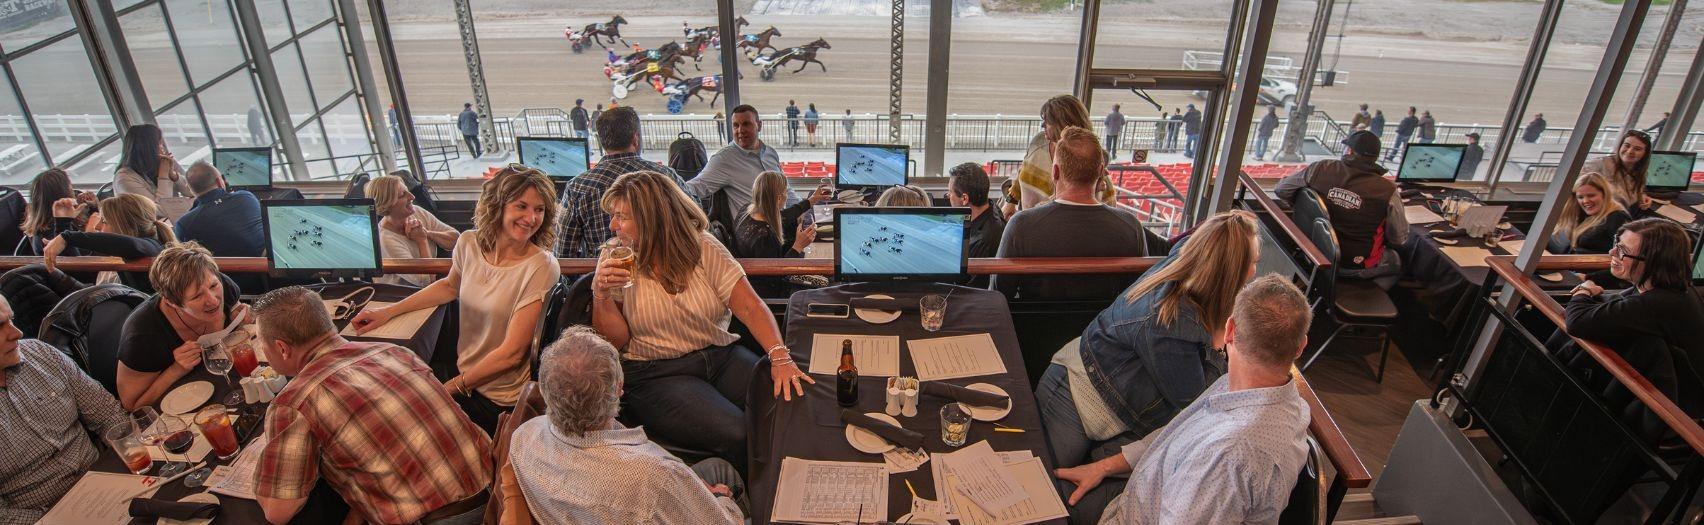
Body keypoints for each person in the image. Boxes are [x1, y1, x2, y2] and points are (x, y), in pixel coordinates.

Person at [1037, 211, 1256, 522]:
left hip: (1124, 414)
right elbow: (1195, 400)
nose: (1254, 272)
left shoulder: (1188, 264)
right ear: (1229, 274)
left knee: (1064, 502)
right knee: (1038, 487)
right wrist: (1221, 342)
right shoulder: (1173, 321)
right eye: (1252, 263)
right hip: (1076, 392)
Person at [589, 170, 813, 468]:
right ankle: (750, 501)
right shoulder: (614, 257)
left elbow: (750, 307)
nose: (612, 225)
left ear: (652, 217)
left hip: (720, 356)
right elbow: (617, 341)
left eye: (622, 216)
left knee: (792, 402)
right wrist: (601, 295)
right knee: (739, 433)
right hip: (657, 372)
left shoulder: (702, 245)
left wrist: (780, 357)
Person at [1055, 274, 1313, 525]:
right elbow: (1174, 433)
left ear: (1230, 330)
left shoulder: (1227, 457)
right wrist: (1102, 467)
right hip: (1133, 497)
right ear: (1301, 346)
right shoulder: (1264, 394)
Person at [251, 286, 492, 525]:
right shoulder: (394, 351)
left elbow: (279, 511)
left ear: (282, 348)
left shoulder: (293, 403)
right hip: (497, 489)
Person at [351, 166, 560, 432]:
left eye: (539, 209)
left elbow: (511, 355)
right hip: (465, 373)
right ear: (497, 205)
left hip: (499, 397)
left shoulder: (541, 266)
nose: (531, 218)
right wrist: (389, 312)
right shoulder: (468, 243)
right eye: (521, 206)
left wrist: (449, 388)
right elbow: (450, 286)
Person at [500, 326, 744, 525]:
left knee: (715, 467)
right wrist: (722, 499)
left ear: (545, 391)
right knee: (726, 475)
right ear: (618, 388)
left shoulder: (524, 438)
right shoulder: (654, 477)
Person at [1554, 219, 1704, 422]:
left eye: (1622, 250)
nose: (1612, 253)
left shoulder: (1662, 302)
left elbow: (1578, 322)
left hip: (1678, 413)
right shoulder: (1665, 287)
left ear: (1653, 262)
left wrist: (1584, 290)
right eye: (1616, 244)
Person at [0, 294, 129, 524]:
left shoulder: (41, 354)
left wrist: (131, 458)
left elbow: (108, 414)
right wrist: (59, 520)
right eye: (0, 327)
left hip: (107, 478)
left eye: (11, 320)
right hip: (46, 515)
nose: (16, 333)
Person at [993, 127, 1152, 301]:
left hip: (1033, 326)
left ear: (1055, 171)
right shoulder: (1131, 226)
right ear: (1101, 171)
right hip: (1107, 326)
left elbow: (999, 292)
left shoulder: (1021, 225)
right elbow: (1137, 294)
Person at [113, 241, 244, 410]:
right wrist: (175, 370)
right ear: (171, 303)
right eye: (197, 296)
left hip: (228, 385)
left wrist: (240, 320)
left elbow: (234, 331)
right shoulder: (142, 334)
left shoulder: (222, 285)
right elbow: (133, 406)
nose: (213, 299)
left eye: (213, 285)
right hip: (182, 408)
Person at [1275, 130, 1408, 288]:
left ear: (1350, 151)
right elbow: (1398, 238)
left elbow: (1281, 189)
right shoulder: (1388, 190)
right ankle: (1360, 297)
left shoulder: (1320, 168)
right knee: (1396, 260)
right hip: (1352, 267)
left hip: (1312, 253)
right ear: (1374, 158)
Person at [559, 106, 686, 258]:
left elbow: (564, 252)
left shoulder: (578, 186)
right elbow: (696, 225)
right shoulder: (667, 176)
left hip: (602, 274)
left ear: (602, 141)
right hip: (666, 270)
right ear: (635, 138)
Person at [44, 193, 177, 292]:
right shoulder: (112, 253)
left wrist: (68, 237)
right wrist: (63, 223)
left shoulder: (153, 246)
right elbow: (79, 273)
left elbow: (132, 246)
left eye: (105, 221)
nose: (97, 226)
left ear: (123, 225)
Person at [1009, 95, 1115, 212]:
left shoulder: (1088, 160)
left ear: (1062, 124)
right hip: (1027, 220)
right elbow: (1023, 170)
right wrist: (1011, 201)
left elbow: (1105, 210)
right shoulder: (1039, 141)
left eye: (1048, 122)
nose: (1042, 125)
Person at [733, 171, 829, 295]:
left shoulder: (746, 210)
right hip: (766, 291)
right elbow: (777, 276)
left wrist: (811, 201)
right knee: (828, 282)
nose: (787, 195)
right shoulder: (764, 236)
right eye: (785, 192)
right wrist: (798, 247)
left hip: (747, 279)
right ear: (779, 198)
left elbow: (783, 216)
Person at [682, 104, 782, 214]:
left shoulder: (770, 153)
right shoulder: (724, 159)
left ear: (759, 125)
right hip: (755, 228)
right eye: (736, 125)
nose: (740, 130)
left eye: (746, 124)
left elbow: (785, 188)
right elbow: (695, 187)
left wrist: (801, 209)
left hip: (782, 221)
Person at [369, 174, 459, 287]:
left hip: (432, 279)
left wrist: (427, 233)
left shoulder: (416, 211)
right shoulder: (386, 239)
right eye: (402, 194)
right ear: (387, 204)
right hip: (403, 294)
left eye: (407, 191)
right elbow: (425, 281)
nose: (412, 196)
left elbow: (456, 240)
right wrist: (421, 240)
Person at [174, 161, 265, 260]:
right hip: (268, 266)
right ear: (219, 181)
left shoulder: (184, 224)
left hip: (228, 273)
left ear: (190, 189)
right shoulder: (246, 197)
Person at [1547, 172, 1631, 255]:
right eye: (1580, 197)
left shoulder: (1617, 217)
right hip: (1570, 264)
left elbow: (1627, 253)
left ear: (1605, 194)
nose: (1585, 201)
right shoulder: (1583, 216)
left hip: (1590, 266)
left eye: (1591, 195)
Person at [18, 167, 89, 256]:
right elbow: (77, 263)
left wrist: (93, 207)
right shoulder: (52, 231)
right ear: (64, 193)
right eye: (70, 187)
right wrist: (91, 231)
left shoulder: (44, 223)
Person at [113, 123, 191, 202]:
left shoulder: (165, 162)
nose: (163, 148)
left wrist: (174, 175)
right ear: (148, 148)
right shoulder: (124, 178)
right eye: (159, 144)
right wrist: (163, 175)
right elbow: (160, 210)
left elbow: (193, 192)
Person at [1583, 130, 1654, 213]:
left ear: (1645, 154)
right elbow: (1577, 188)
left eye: (1637, 149)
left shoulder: (1641, 172)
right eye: (1627, 146)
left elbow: (1634, 192)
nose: (1630, 151)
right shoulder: (1599, 164)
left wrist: (1641, 196)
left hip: (1623, 214)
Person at [949, 162, 1005, 261]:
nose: (948, 196)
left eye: (950, 192)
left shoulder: (981, 241)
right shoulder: (992, 208)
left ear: (964, 199)